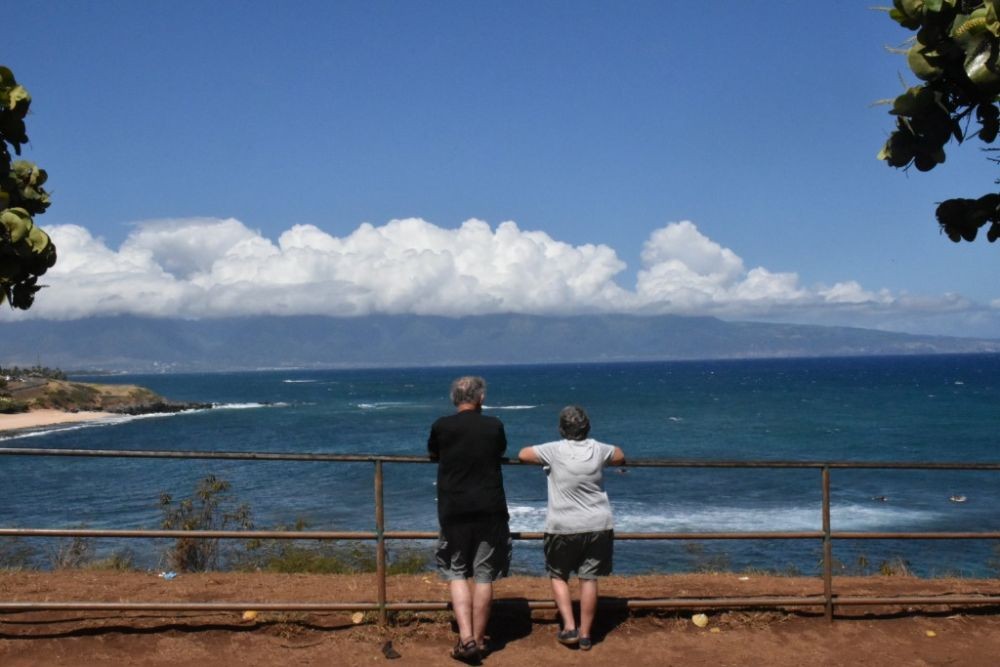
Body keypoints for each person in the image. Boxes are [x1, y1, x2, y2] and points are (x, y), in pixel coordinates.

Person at [518, 405, 625, 651]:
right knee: (589, 578)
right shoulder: (599, 449)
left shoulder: (553, 450)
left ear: (561, 429)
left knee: (558, 575)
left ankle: (569, 627)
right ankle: (587, 634)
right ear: (587, 427)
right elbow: (619, 454)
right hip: (598, 523)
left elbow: (523, 454)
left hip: (562, 525)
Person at [428, 376, 511, 664]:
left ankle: (467, 640)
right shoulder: (494, 425)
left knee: (457, 572)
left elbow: (433, 453)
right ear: (481, 398)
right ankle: (480, 635)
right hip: (490, 507)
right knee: (485, 575)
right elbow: (500, 450)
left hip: (454, 509)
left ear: (454, 398)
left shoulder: (442, 426)